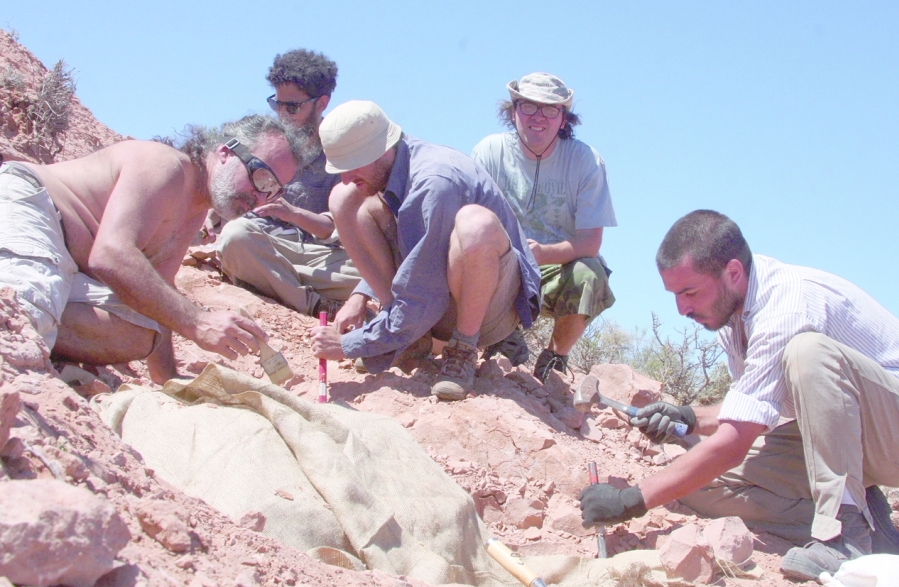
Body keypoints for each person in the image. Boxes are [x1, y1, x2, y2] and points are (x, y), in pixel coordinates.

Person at [578, 210, 899, 581]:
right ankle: (869, 529)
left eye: (689, 292)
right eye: (675, 295)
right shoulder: (733, 315)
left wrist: (631, 500)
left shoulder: (786, 305)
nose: (683, 308)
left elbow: (735, 441)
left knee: (808, 352)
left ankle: (843, 533)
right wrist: (687, 416)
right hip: (843, 438)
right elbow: (752, 408)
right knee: (700, 483)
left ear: (733, 272)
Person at [0, 115, 310, 384]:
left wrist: (168, 377)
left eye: (273, 190)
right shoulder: (166, 166)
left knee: (141, 333)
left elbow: (159, 290)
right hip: (33, 207)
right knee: (24, 317)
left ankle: (37, 330)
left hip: (67, 265)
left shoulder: (195, 209)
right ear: (226, 152)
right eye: (261, 176)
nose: (260, 196)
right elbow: (110, 254)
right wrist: (197, 321)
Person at [308, 100, 541, 401]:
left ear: (380, 150)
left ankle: (463, 350)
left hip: (490, 308)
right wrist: (360, 295)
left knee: (476, 225)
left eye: (351, 165)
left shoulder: (433, 180)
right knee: (343, 198)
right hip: (439, 293)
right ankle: (410, 338)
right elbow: (416, 250)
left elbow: (423, 295)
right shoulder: (394, 164)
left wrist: (350, 345)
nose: (345, 176)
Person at [471, 72, 616, 380]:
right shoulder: (489, 152)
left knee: (589, 273)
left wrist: (541, 253)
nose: (538, 117)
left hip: (555, 265)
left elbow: (590, 242)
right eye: (528, 107)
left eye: (550, 109)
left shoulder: (586, 161)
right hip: (501, 263)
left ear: (564, 119)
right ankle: (499, 335)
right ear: (513, 112)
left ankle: (554, 359)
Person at [215, 49, 360, 317]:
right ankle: (315, 305)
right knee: (235, 238)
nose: (282, 114)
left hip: (319, 256)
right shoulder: (263, 142)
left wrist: (292, 214)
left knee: (370, 273)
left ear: (322, 103)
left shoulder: (343, 154)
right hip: (263, 245)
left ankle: (271, 283)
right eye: (277, 104)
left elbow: (335, 228)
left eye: (292, 107)